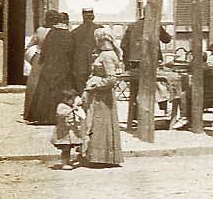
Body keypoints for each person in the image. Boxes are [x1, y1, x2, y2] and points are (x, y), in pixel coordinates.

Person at [81, 28, 124, 167]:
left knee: (99, 124)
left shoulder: (106, 55)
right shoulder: (104, 54)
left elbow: (111, 79)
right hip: (99, 95)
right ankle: (96, 156)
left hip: (102, 96)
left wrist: (95, 86)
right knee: (96, 124)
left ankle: (101, 157)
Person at [25, 12, 75, 125]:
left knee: (45, 92)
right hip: (63, 67)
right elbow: (71, 53)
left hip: (49, 66)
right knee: (59, 91)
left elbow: (45, 50)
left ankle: (43, 116)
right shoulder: (69, 35)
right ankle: (56, 116)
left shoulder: (51, 33)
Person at [122, 16, 171, 128]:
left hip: (134, 64)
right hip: (151, 62)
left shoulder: (132, 26)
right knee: (160, 85)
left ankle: (134, 117)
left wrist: (126, 63)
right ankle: (166, 112)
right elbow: (167, 39)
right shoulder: (155, 25)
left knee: (136, 90)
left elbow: (123, 45)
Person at [23, 12, 56, 120]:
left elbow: (29, 46)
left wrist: (32, 57)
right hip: (49, 59)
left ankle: (31, 112)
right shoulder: (55, 31)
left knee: (34, 85)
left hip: (39, 58)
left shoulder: (40, 30)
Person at [51, 86, 84, 169]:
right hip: (63, 132)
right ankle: (64, 163)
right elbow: (61, 114)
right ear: (65, 99)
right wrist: (72, 109)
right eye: (72, 100)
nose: (73, 101)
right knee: (65, 148)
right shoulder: (61, 106)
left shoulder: (70, 106)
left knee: (68, 148)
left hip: (70, 131)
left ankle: (68, 161)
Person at [68, 7, 99, 92]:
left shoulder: (75, 32)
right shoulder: (100, 30)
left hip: (80, 67)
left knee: (82, 92)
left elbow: (71, 52)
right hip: (95, 65)